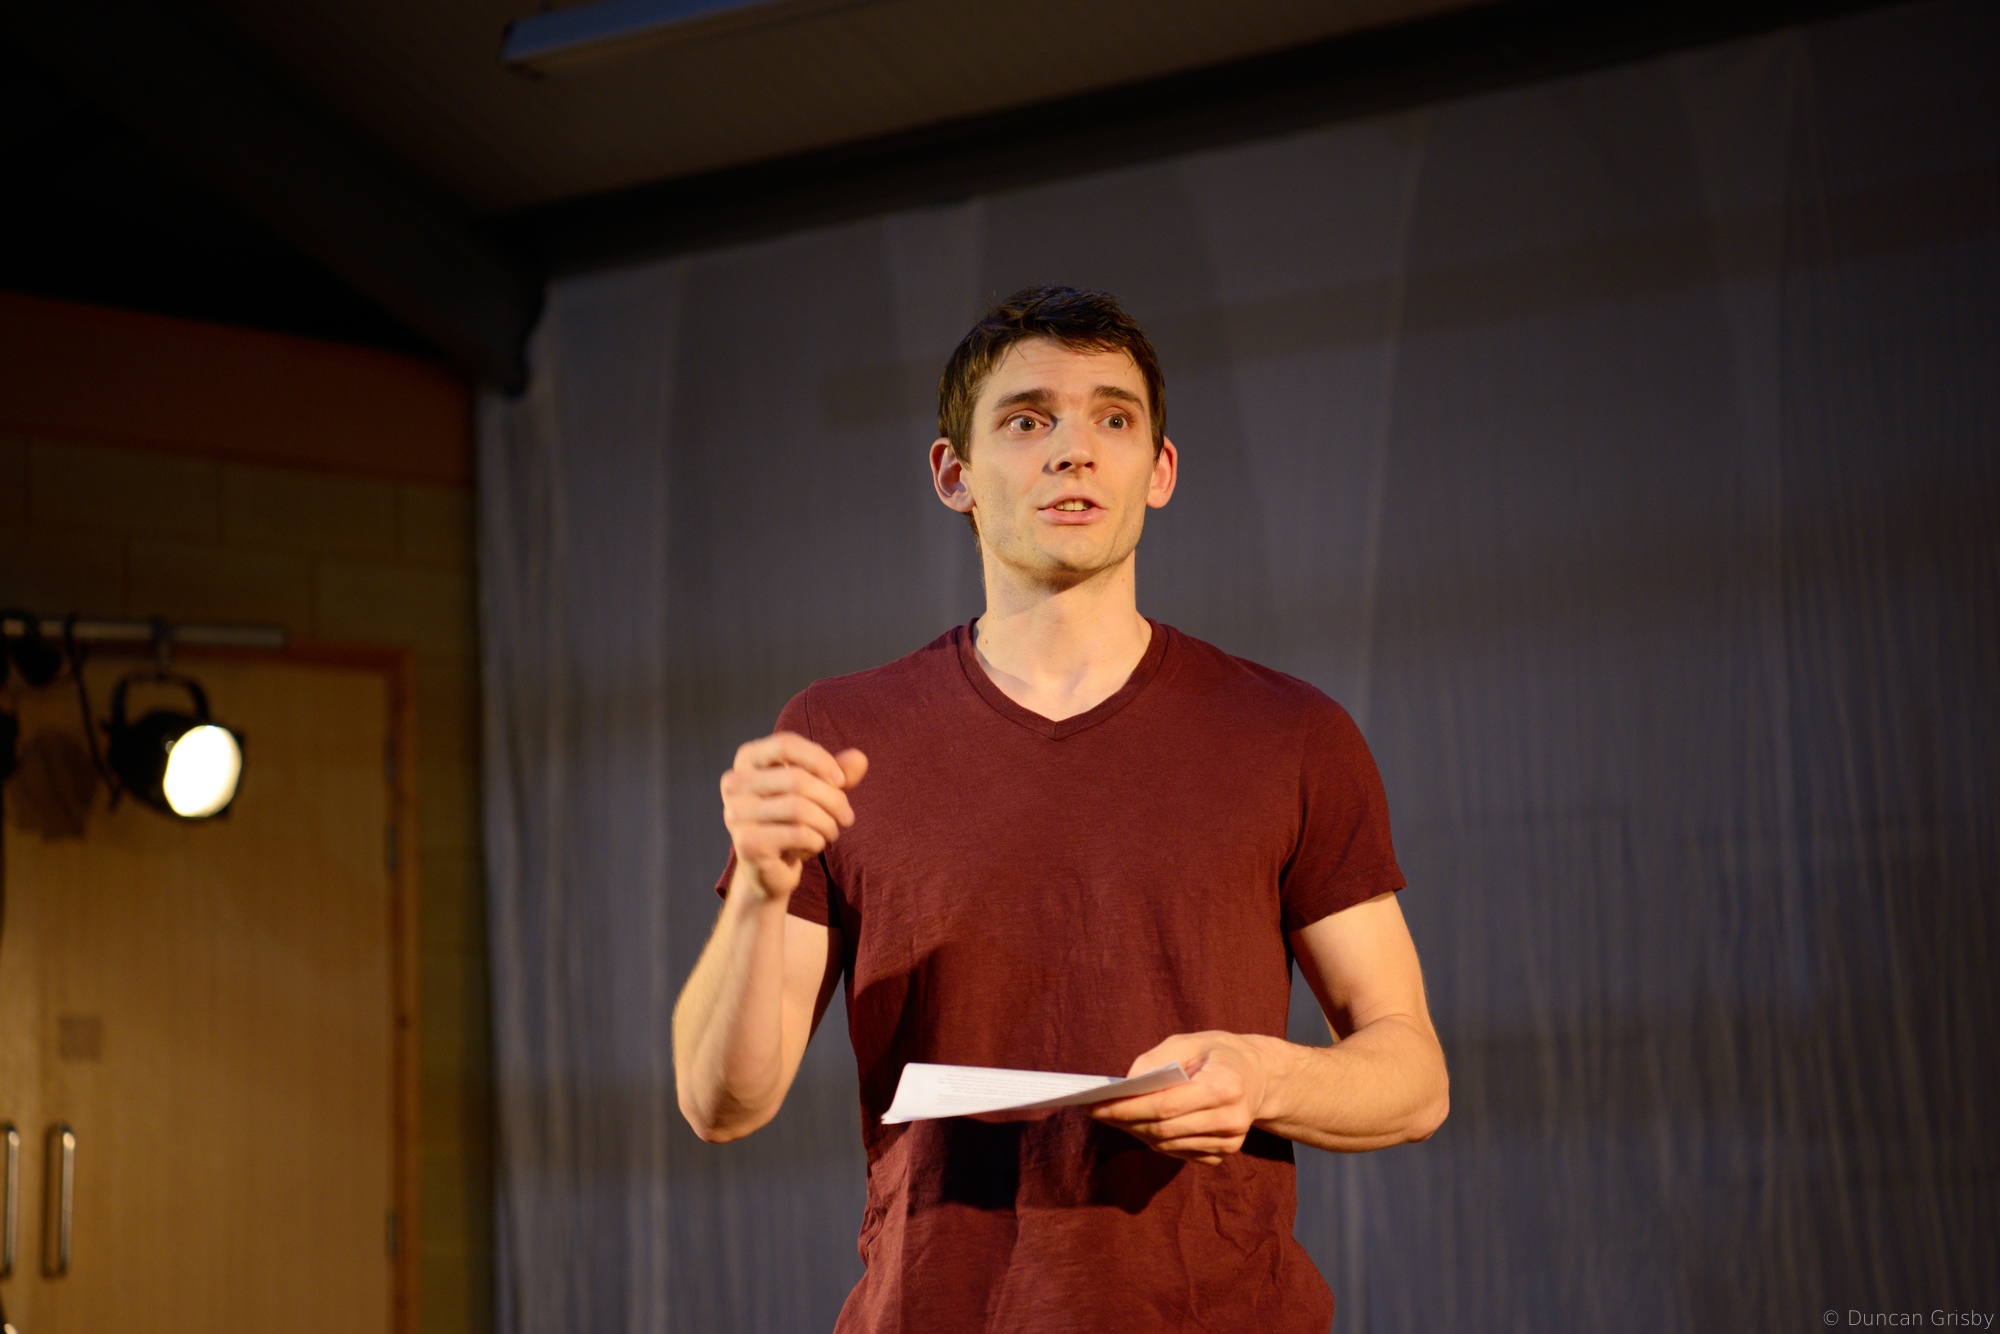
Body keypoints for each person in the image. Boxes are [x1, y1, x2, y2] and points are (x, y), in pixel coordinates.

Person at [672, 285, 1449, 1332]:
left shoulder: (1290, 733)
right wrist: (758, 895)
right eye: (1027, 419)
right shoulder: (840, 733)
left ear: (1158, 471)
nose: (1073, 451)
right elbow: (721, 1102)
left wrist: (1261, 1076)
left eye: (1113, 420)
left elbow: (1412, 1076)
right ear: (954, 474)